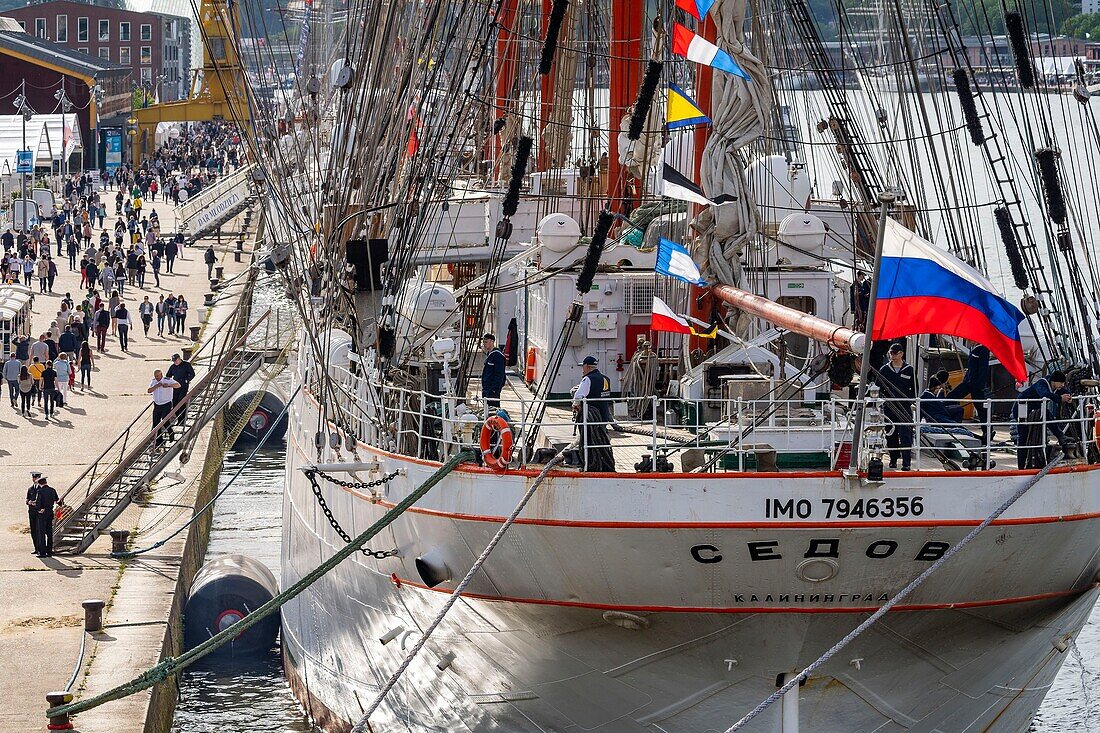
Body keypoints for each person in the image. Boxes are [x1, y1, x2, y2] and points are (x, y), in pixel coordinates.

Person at [1015, 370, 1073, 469]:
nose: (1062, 385)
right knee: (1023, 438)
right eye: (1061, 383)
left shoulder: (1055, 386)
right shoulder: (1042, 383)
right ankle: (1021, 467)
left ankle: (1061, 436)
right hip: (1022, 409)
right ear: (1054, 381)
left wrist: (1068, 396)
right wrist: (1059, 399)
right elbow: (1044, 394)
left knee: (1047, 414)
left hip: (1035, 409)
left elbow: (1064, 391)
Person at [571, 355, 615, 472]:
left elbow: (578, 395)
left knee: (588, 441)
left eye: (583, 367)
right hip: (603, 415)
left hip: (591, 419)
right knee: (601, 439)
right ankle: (604, 462)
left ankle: (590, 463)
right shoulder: (606, 379)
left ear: (587, 366)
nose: (582, 369)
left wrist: (576, 405)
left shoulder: (587, 379)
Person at [876, 343, 916, 470]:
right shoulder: (884, 370)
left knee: (906, 434)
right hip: (889, 407)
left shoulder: (909, 370)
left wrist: (909, 401)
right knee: (890, 434)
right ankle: (893, 459)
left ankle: (906, 463)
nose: (891, 356)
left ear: (901, 354)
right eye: (890, 353)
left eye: (894, 353)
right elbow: (878, 388)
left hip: (904, 407)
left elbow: (914, 390)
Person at [148, 369, 180, 449]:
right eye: (155, 376)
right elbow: (149, 390)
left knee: (165, 420)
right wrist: (156, 386)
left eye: (158, 376)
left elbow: (178, 385)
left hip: (166, 404)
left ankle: (171, 433)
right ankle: (159, 440)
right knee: (156, 422)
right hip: (157, 404)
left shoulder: (167, 380)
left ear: (161, 374)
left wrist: (168, 385)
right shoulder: (154, 381)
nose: (157, 378)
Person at [32, 476, 58, 557]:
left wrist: (38, 509)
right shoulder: (52, 490)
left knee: (41, 533)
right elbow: (57, 500)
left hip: (42, 514)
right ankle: (49, 551)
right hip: (50, 512)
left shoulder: (40, 491)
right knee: (49, 533)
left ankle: (42, 552)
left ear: (40, 483)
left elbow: (38, 503)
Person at [166, 353, 195, 425]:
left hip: (183, 385)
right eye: (173, 361)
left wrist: (187, 380)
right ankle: (179, 419)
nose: (175, 362)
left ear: (179, 359)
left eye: (176, 360)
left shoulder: (186, 365)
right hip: (175, 386)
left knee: (181, 400)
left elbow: (192, 374)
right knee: (175, 402)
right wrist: (168, 383)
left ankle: (184, 417)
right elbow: (168, 375)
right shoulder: (173, 367)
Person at [480, 333, 505, 409]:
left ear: (492, 341)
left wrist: (495, 389)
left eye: (486, 342)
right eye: (483, 342)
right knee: (486, 408)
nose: (484, 344)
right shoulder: (489, 355)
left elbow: (500, 374)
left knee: (493, 408)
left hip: (492, 389)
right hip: (486, 388)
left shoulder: (497, 356)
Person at [25, 471, 42, 555]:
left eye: (36, 478)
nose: (34, 479)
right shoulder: (30, 489)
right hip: (31, 512)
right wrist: (29, 502)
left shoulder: (41, 488)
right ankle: (36, 548)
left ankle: (40, 549)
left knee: (39, 530)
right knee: (33, 530)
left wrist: (36, 503)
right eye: (33, 478)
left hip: (38, 512)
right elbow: (27, 499)